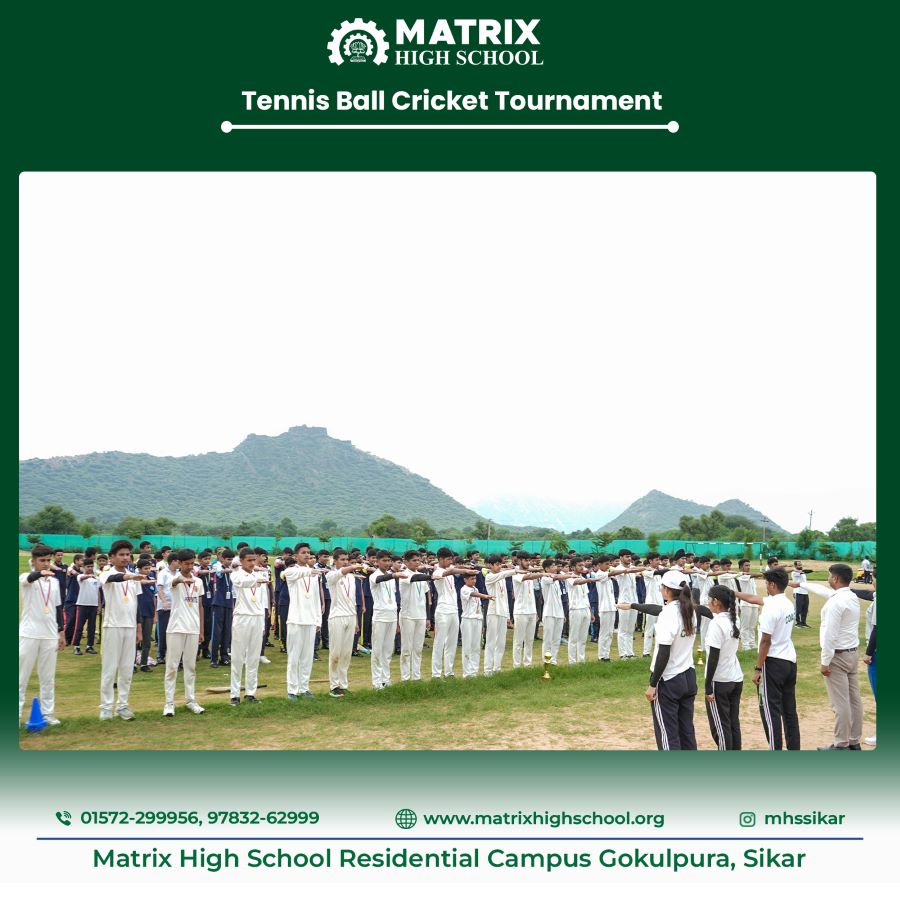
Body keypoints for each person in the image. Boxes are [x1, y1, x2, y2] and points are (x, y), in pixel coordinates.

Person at [618, 570, 700, 750]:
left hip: (669, 679)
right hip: (688, 676)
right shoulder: (689, 610)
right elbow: (657, 609)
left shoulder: (669, 614)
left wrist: (653, 684)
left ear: (667, 590)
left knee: (667, 734)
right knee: (686, 731)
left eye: (662, 586)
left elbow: (664, 652)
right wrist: (632, 605)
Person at [736, 567, 800, 751]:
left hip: (773, 663)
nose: (765, 586)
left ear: (772, 584)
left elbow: (765, 641)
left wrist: (758, 668)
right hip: (789, 661)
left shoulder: (771, 608)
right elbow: (752, 598)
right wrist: (734, 593)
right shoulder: (786, 602)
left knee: (770, 711)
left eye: (766, 583)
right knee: (789, 711)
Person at [814, 563, 863, 751]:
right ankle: (854, 740)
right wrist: (801, 584)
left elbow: (830, 636)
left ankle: (841, 744)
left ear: (835, 578)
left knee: (840, 703)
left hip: (838, 656)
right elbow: (826, 592)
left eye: (829, 576)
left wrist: (825, 662)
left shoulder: (835, 602)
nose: (828, 579)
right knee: (854, 700)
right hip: (852, 653)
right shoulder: (851, 596)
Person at [19, 544, 65, 727]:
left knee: (48, 678)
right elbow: (30, 578)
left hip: (50, 635)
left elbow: (58, 608)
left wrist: (61, 632)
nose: (46, 564)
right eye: (42, 560)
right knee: (21, 677)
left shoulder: (55, 582)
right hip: (29, 634)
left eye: (48, 560)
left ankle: (47, 714)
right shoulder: (26, 577)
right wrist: (40, 573)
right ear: (33, 561)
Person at [97, 540, 143, 721]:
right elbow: (113, 579)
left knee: (126, 669)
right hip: (113, 626)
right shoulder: (106, 573)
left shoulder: (133, 577)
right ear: (112, 557)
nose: (125, 557)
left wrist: (139, 628)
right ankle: (106, 707)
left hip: (130, 627)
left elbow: (136, 604)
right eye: (121, 554)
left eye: (127, 554)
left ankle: (122, 705)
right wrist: (129, 577)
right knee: (109, 669)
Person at [163, 549, 205, 716]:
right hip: (176, 628)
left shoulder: (198, 581)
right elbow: (174, 582)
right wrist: (179, 579)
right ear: (179, 563)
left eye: (191, 563)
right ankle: (169, 703)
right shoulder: (173, 579)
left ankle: (191, 700)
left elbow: (200, 606)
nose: (189, 566)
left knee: (191, 666)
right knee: (172, 666)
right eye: (186, 564)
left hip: (193, 628)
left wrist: (201, 630)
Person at [282, 545, 326, 700]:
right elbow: (289, 573)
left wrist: (318, 619)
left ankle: (304, 687)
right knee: (294, 656)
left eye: (308, 552)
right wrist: (310, 571)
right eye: (303, 553)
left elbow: (316, 598)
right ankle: (292, 690)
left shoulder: (314, 573)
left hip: (310, 620)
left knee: (307, 657)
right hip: (296, 619)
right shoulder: (292, 571)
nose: (307, 555)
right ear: (295, 556)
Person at [703, 584, 744, 750]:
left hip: (720, 680)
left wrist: (708, 686)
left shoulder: (716, 624)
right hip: (735, 678)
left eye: (709, 599)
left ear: (716, 602)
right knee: (732, 723)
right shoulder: (734, 618)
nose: (707, 602)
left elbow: (713, 657)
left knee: (720, 727)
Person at [228, 547, 270, 705]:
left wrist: (263, 621)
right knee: (238, 657)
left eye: (254, 560)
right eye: (249, 560)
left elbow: (262, 600)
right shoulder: (236, 574)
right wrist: (257, 581)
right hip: (242, 617)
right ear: (241, 561)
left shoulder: (258, 575)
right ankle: (234, 694)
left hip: (257, 618)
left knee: (253, 657)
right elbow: (241, 583)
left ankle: (250, 693)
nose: (252, 563)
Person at [324, 549, 365, 696]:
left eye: (347, 559)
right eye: (342, 559)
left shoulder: (352, 578)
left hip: (350, 617)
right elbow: (340, 572)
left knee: (346, 654)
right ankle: (334, 686)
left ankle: (343, 684)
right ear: (334, 561)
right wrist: (353, 567)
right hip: (337, 617)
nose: (345, 562)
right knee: (335, 653)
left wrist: (356, 620)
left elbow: (352, 600)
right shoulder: (331, 575)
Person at [430, 549, 475, 678]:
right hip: (443, 610)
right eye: (448, 559)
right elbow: (451, 571)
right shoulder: (438, 571)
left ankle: (449, 672)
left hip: (453, 609)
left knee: (452, 642)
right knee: (439, 643)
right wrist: (465, 570)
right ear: (440, 559)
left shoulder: (450, 570)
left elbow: (453, 569)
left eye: (451, 559)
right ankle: (436, 674)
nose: (450, 562)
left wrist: (466, 568)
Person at [369, 551, 407, 688]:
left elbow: (394, 599)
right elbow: (379, 579)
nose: (387, 563)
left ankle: (386, 679)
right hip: (380, 617)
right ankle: (376, 682)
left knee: (388, 650)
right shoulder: (374, 575)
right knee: (377, 650)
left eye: (388, 561)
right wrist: (394, 575)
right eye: (384, 561)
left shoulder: (391, 577)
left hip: (391, 616)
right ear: (377, 562)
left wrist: (396, 619)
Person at [397, 550, 434, 682]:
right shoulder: (404, 574)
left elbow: (425, 597)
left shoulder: (421, 576)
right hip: (408, 616)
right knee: (407, 649)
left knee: (418, 648)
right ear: (406, 562)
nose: (417, 562)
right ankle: (405, 678)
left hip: (421, 615)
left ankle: (416, 677)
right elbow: (414, 579)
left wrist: (428, 617)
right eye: (414, 560)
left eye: (418, 560)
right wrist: (431, 577)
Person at [483, 554, 517, 675]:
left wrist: (508, 615)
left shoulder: (501, 578)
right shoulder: (489, 576)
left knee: (501, 642)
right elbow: (502, 574)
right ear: (490, 565)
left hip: (502, 612)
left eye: (500, 564)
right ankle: (487, 670)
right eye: (497, 565)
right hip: (493, 612)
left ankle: (497, 668)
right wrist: (515, 571)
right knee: (491, 642)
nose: (499, 567)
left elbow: (505, 598)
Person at [511, 553, 543, 668]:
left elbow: (531, 594)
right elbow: (528, 577)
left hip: (531, 611)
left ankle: (528, 664)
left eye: (529, 560)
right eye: (526, 560)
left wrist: (535, 612)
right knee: (518, 641)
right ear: (519, 561)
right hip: (521, 611)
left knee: (529, 640)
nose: (528, 563)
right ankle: (517, 665)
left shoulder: (529, 573)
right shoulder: (516, 573)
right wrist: (543, 573)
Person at [460, 572, 491, 677]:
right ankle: (467, 673)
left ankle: (474, 671)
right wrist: (485, 596)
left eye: (475, 579)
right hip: (468, 619)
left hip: (477, 618)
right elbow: (473, 595)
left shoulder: (475, 588)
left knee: (476, 646)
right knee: (467, 646)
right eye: (471, 579)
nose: (474, 581)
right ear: (465, 580)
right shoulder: (464, 589)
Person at [564, 558, 593, 664]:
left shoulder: (583, 578)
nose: (582, 567)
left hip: (585, 609)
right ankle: (572, 661)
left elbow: (586, 596)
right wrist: (589, 580)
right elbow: (577, 582)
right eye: (579, 565)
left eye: (582, 565)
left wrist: (591, 612)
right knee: (574, 637)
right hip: (575, 609)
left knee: (583, 637)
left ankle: (581, 660)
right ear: (573, 567)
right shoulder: (570, 577)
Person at [209, 548, 235, 668]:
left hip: (229, 603)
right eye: (228, 559)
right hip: (218, 603)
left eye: (231, 560)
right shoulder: (217, 566)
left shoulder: (231, 570)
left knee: (227, 631)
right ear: (222, 559)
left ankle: (224, 657)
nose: (230, 562)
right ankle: (214, 659)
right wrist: (231, 569)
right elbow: (219, 572)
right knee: (217, 632)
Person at [72, 559, 100, 655]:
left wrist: (99, 605)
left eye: (91, 566)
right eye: (88, 566)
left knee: (92, 627)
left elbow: (98, 592)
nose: (90, 568)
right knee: (79, 626)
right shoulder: (80, 576)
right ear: (83, 567)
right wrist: (89, 575)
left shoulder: (96, 579)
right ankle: (76, 646)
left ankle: (89, 646)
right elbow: (82, 578)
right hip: (82, 604)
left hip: (93, 605)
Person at [591, 556, 616, 662]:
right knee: (604, 632)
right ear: (599, 565)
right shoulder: (599, 574)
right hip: (604, 608)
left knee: (610, 633)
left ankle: (607, 655)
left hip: (612, 607)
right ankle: (601, 656)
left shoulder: (608, 576)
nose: (608, 566)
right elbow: (613, 573)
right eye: (606, 564)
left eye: (609, 564)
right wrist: (625, 570)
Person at [135, 557, 157, 671]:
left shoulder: (151, 578)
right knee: (136, 639)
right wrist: (148, 581)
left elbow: (153, 597)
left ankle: (144, 663)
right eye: (145, 568)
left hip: (149, 612)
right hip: (137, 613)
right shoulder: (135, 579)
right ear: (139, 569)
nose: (148, 570)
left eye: (149, 568)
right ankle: (133, 663)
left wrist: (155, 613)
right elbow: (141, 582)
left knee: (147, 639)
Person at [790, 560, 813, 627]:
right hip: (798, 592)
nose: (800, 566)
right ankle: (797, 623)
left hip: (805, 592)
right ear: (795, 566)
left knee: (805, 608)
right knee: (798, 608)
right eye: (799, 565)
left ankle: (803, 622)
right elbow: (802, 572)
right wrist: (811, 570)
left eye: (801, 565)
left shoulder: (802, 572)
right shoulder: (794, 572)